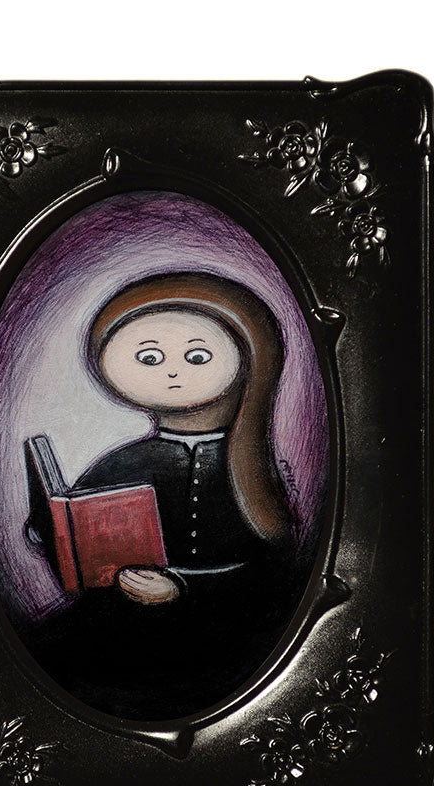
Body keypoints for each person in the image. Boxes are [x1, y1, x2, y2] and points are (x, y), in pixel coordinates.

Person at [23, 272, 306, 720]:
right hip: (117, 626)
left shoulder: (254, 472)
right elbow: (75, 532)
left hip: (221, 641)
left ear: (250, 358)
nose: (172, 372)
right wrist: (50, 528)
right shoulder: (123, 462)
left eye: (197, 356)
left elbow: (276, 576)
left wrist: (184, 587)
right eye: (150, 358)